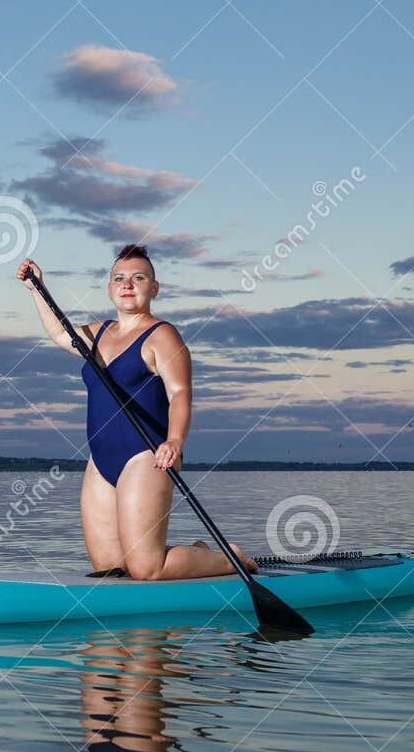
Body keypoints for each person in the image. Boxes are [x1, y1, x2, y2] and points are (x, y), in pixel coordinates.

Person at [17, 245, 256, 580]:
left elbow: (180, 393)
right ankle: (197, 556)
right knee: (110, 569)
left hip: (149, 455)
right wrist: (37, 289)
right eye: (119, 278)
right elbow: (59, 332)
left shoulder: (162, 335)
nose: (127, 284)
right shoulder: (98, 333)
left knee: (146, 568)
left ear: (153, 288)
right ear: (110, 288)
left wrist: (174, 440)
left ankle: (230, 558)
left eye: (138, 277)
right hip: (101, 460)